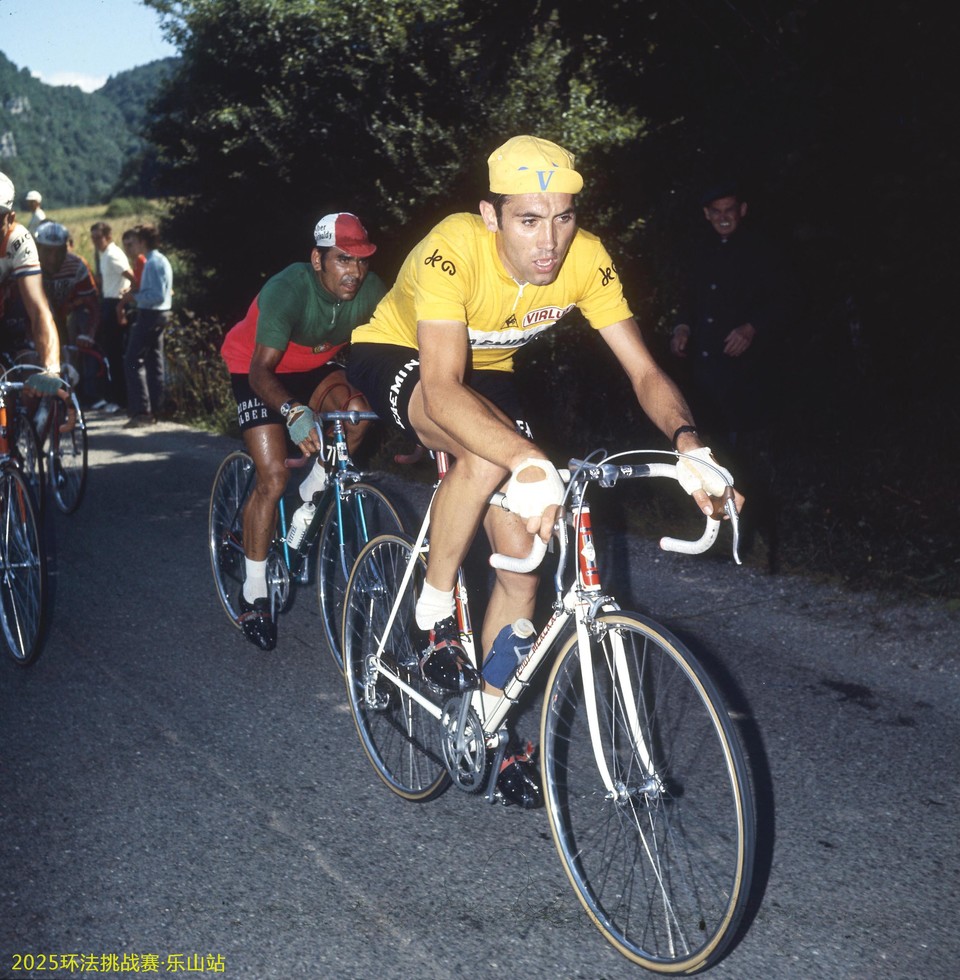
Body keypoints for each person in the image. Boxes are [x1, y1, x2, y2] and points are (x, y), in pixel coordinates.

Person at [347, 135, 742, 802]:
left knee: (524, 557)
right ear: (491, 215)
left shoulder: (585, 260)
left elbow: (645, 370)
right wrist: (528, 458)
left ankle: (487, 721)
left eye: (563, 217)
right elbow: (443, 389)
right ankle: (434, 608)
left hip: (490, 374)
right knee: (484, 451)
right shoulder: (455, 245)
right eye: (529, 219)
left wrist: (689, 445)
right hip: (401, 354)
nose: (549, 241)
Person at [220, 212, 387, 651]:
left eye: (362, 261)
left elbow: (391, 351)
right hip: (257, 369)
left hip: (315, 369)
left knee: (356, 413)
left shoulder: (370, 290)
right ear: (317, 259)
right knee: (273, 476)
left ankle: (314, 492)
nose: (354, 272)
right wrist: (293, 412)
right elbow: (261, 373)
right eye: (342, 260)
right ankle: (254, 592)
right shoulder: (287, 289)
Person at [669, 182, 787, 570]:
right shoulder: (697, 250)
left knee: (746, 459)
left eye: (730, 209)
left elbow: (785, 299)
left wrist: (752, 328)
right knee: (708, 453)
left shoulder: (763, 250)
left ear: (743, 210)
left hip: (748, 376)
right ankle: (715, 537)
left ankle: (755, 543)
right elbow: (686, 298)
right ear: (706, 214)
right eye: (716, 210)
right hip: (705, 376)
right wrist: (682, 327)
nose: (723, 216)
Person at [0, 171, 69, 400]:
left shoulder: (19, 240)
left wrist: (50, 369)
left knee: (28, 366)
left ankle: (25, 426)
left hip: (13, 307)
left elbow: (39, 310)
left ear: (10, 218)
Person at [34, 220, 100, 403]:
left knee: (67, 355)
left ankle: (73, 395)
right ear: (37, 248)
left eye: (59, 252)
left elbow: (92, 304)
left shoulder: (77, 265)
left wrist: (89, 334)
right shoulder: (27, 263)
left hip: (62, 314)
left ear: (66, 248)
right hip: (34, 315)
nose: (53, 259)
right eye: (47, 251)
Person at [124, 223, 172, 428]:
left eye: (136, 241)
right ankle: (158, 407)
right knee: (154, 360)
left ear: (143, 241)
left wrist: (133, 297)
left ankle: (143, 410)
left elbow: (157, 295)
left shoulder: (153, 263)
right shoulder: (160, 260)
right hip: (160, 314)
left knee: (132, 359)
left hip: (151, 314)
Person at [89, 221, 131, 412]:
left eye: (99, 238)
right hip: (108, 302)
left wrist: (127, 293)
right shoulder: (104, 254)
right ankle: (116, 397)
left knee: (115, 355)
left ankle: (121, 400)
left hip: (114, 304)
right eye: (93, 238)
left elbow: (133, 276)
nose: (96, 242)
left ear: (108, 237)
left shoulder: (113, 254)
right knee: (110, 355)